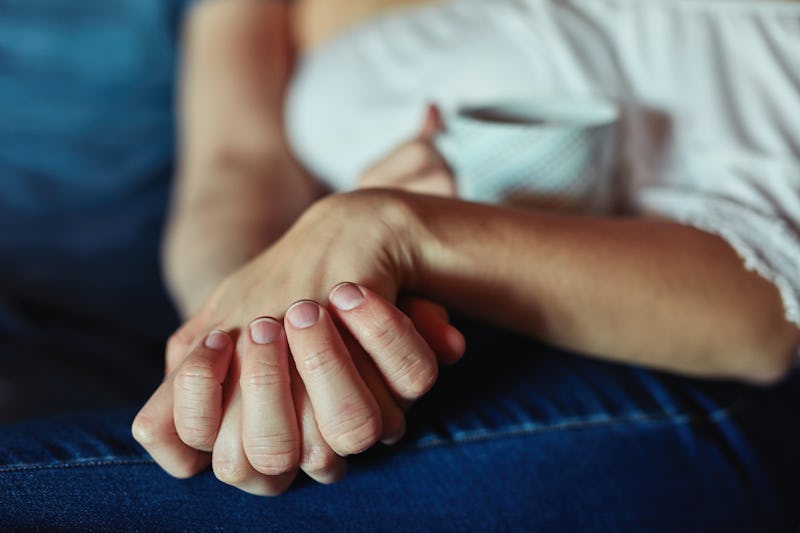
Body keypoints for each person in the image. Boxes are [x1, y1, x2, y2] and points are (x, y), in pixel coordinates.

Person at [1, 0, 799, 530]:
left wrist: (396, 226)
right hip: (387, 369)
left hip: (657, 385)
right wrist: (253, 329)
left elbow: (762, 313)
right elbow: (236, 175)